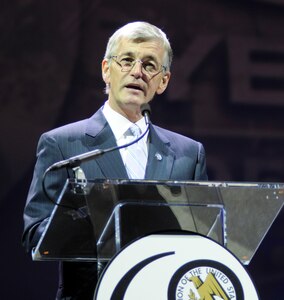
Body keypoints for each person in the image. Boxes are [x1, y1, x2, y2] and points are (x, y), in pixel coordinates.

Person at [22, 21, 208, 299]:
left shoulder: (188, 153)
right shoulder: (62, 144)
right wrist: (94, 224)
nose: (137, 72)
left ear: (163, 81)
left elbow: (203, 237)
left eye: (149, 65)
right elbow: (34, 234)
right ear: (106, 70)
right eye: (127, 60)